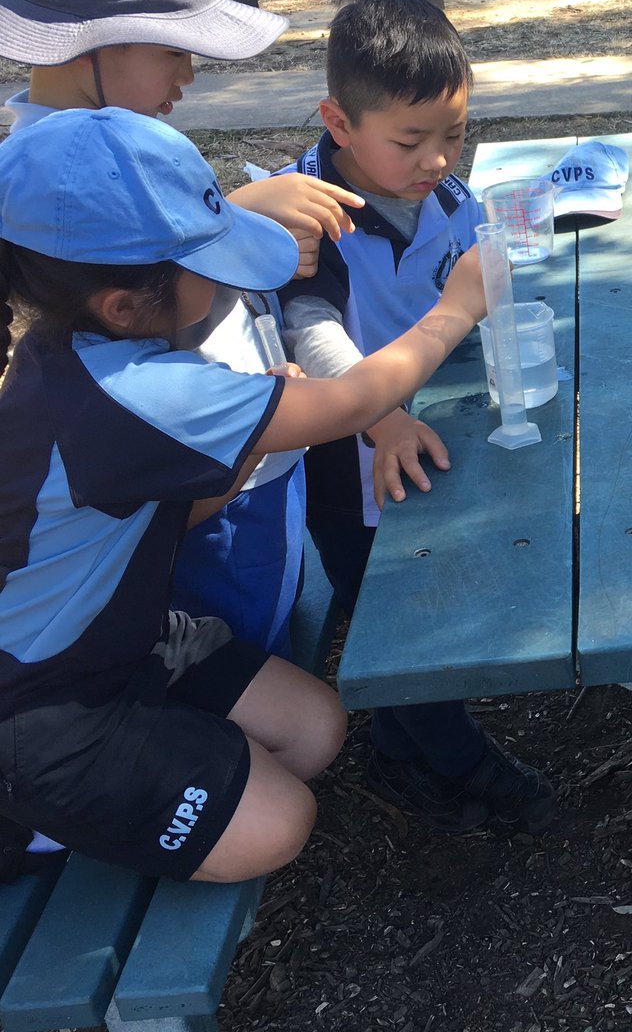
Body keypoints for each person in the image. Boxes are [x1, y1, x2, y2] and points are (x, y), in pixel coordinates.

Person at [0, 106, 486, 879]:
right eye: (210, 265)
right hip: (45, 711)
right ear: (124, 305)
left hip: (120, 644)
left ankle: (154, 757)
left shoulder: (68, 355)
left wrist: (236, 442)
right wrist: (459, 307)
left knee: (315, 730)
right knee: (281, 824)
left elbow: (146, 511)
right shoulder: (137, 389)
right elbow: (355, 402)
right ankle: (27, 820)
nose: (229, 281)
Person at [0, 0, 368, 661]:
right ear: (90, 45)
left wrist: (236, 218)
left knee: (287, 623)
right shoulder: (34, 186)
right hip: (200, 492)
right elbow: (119, 312)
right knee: (235, 658)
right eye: (174, 50)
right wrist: (239, 209)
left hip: (259, 451)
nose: (190, 76)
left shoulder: (127, 136)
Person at [279, 0, 557, 836]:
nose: (438, 159)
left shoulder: (439, 194)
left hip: (429, 427)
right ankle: (454, 756)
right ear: (339, 125)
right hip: (352, 462)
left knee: (423, 591)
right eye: (412, 140)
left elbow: (469, 260)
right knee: (399, 613)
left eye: (454, 136)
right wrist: (379, 416)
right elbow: (309, 330)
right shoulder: (314, 222)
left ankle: (403, 746)